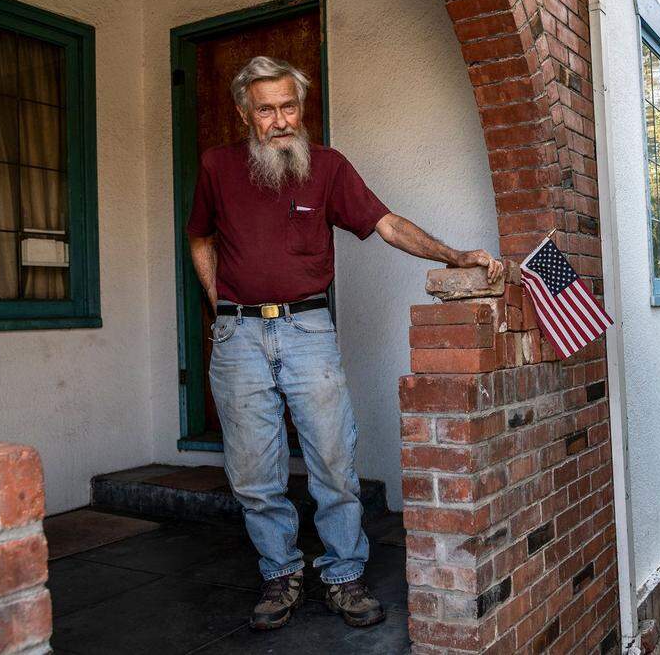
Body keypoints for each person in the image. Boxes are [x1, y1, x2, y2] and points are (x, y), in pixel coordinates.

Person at [186, 55, 503, 631]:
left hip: (308, 331)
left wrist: (455, 254)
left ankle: (342, 575)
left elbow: (386, 223)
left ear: (300, 109)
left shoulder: (328, 168)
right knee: (254, 471)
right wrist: (221, 308)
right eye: (266, 110)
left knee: (333, 459)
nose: (280, 120)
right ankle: (280, 572)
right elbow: (200, 238)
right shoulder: (216, 166)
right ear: (243, 114)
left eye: (289, 106)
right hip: (238, 334)